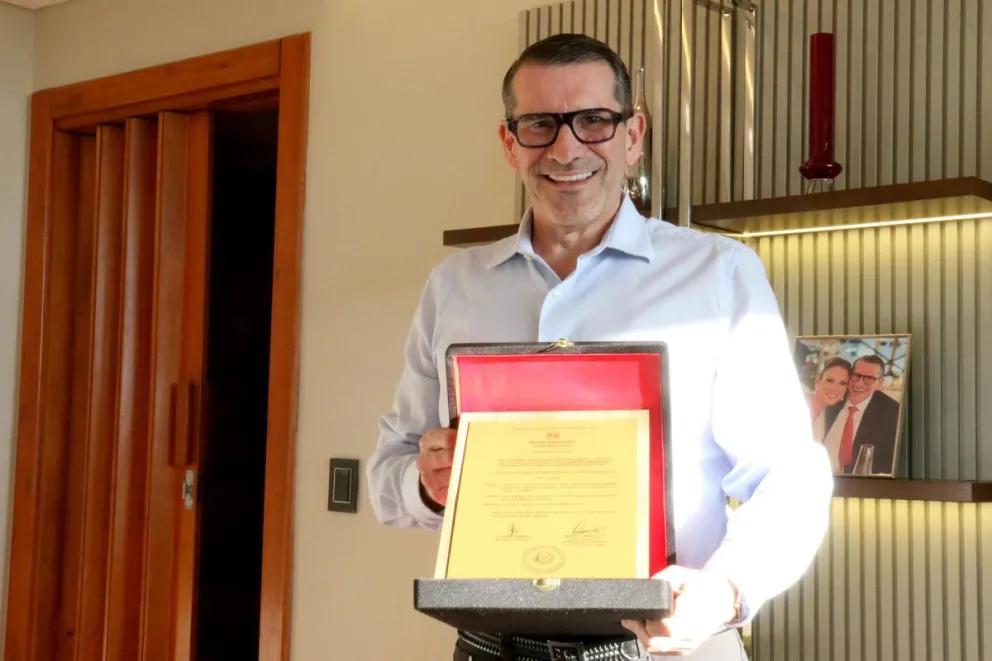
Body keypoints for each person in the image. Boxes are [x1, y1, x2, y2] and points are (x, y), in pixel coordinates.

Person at [367, 33, 834, 660]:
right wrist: (428, 483)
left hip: (668, 648)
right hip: (491, 648)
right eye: (540, 124)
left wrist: (725, 590)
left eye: (594, 121)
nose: (567, 148)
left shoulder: (718, 274)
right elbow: (386, 474)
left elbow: (790, 475)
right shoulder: (455, 285)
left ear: (633, 135)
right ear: (510, 143)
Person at [822, 354, 901, 475]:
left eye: (869, 378)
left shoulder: (894, 414)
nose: (859, 384)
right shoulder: (832, 397)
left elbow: (890, 464)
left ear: (880, 383)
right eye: (856, 375)